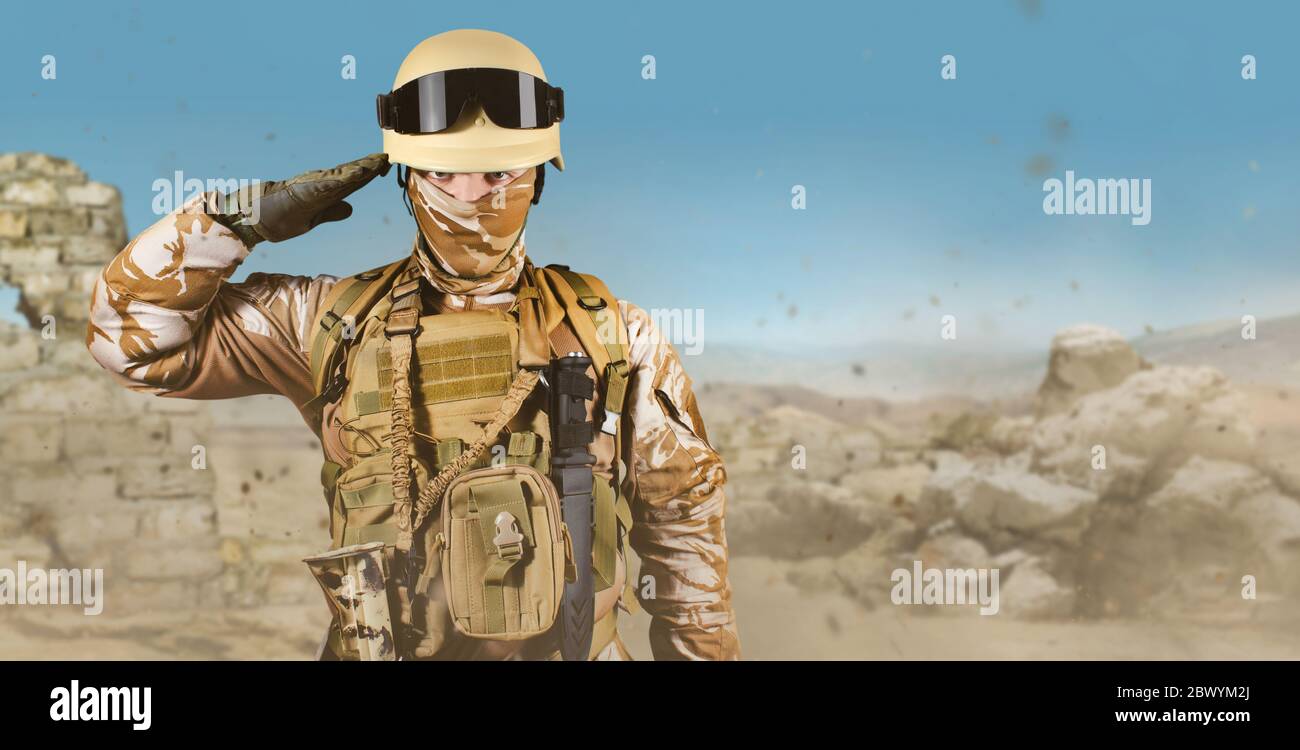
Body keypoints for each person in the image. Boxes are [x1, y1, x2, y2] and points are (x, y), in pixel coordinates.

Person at [85, 29, 738, 660]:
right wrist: (238, 220)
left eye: (495, 175)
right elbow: (128, 339)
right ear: (406, 178)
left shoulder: (613, 333)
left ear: (537, 176)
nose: (470, 197)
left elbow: (684, 520)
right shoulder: (328, 320)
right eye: (442, 174)